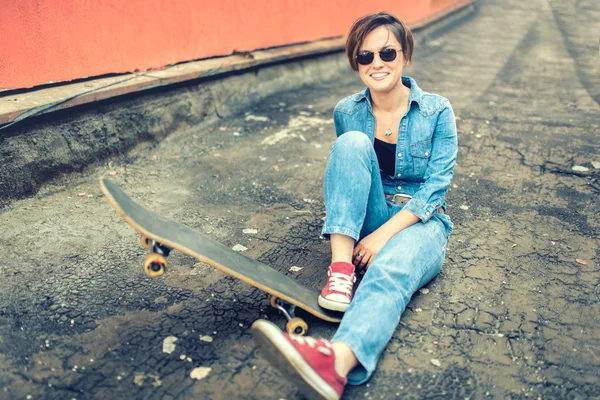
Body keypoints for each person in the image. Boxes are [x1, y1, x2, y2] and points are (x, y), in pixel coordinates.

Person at [251, 11, 457, 400]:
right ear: (355, 62)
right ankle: (341, 271)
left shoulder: (437, 110)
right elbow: (349, 178)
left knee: (392, 270)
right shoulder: (347, 111)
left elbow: (436, 189)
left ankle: (337, 361)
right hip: (372, 211)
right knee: (350, 144)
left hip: (422, 221)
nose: (376, 63)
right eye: (365, 56)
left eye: (387, 53)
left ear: (405, 55)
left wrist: (380, 237)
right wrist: (366, 231)